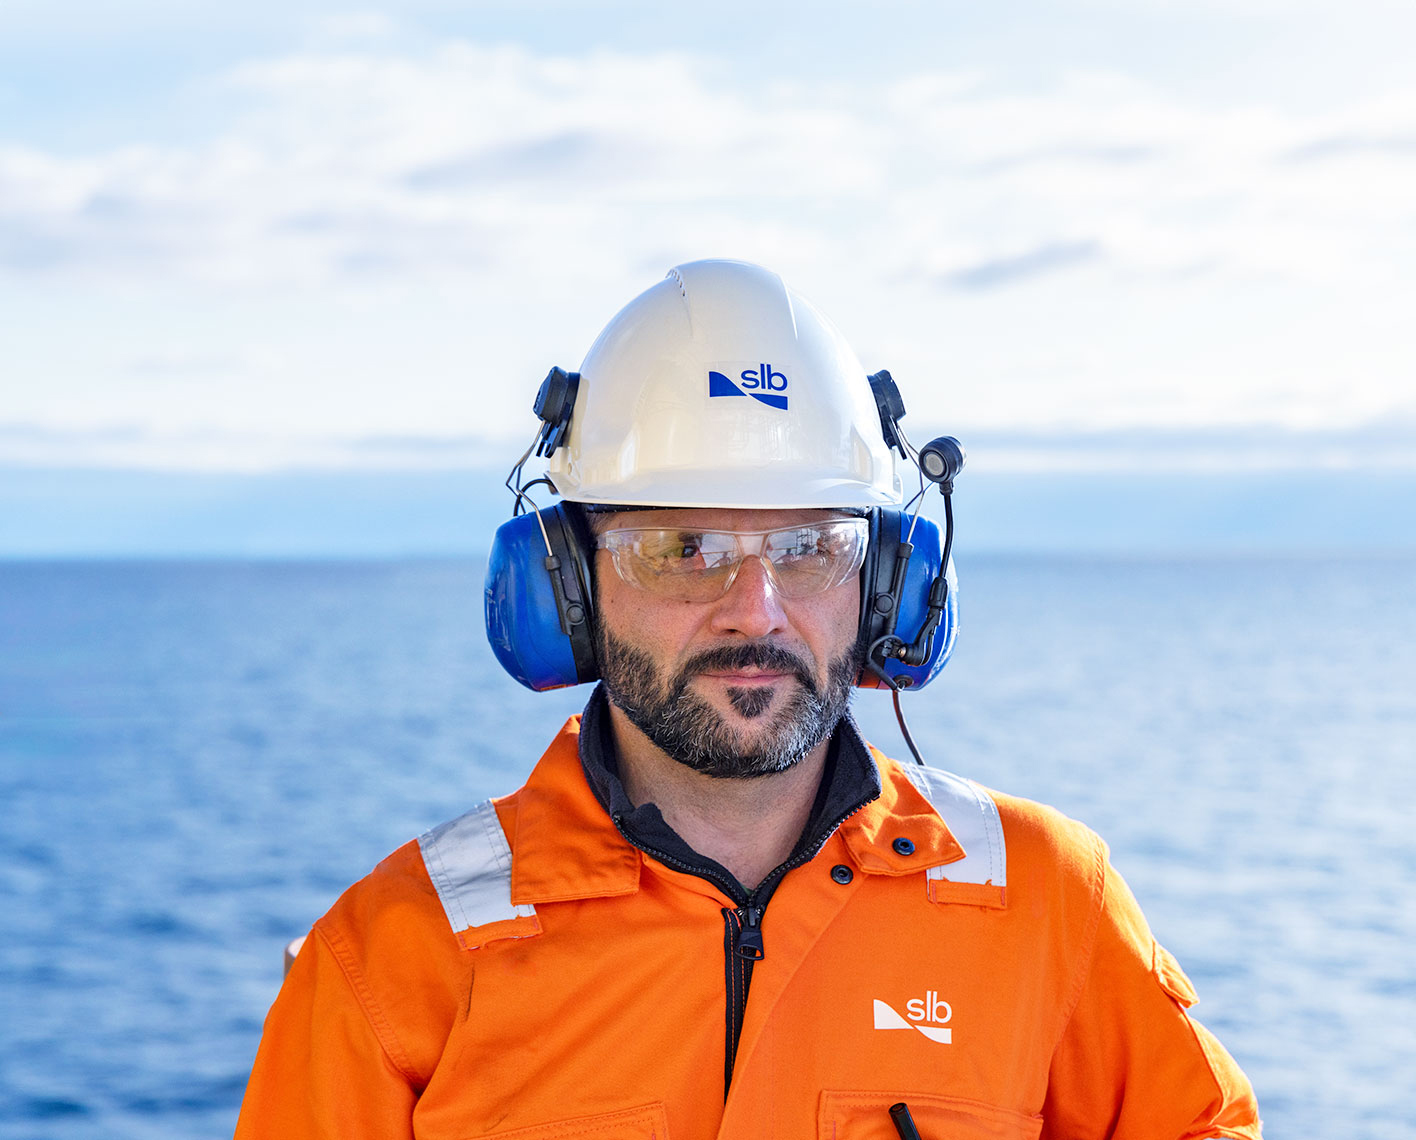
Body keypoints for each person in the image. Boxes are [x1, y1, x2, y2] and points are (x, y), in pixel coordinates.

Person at [236, 260, 1262, 1138]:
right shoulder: (393, 959)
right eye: (686, 549)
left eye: (810, 548)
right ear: (573, 587)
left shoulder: (1047, 903)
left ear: (888, 586)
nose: (754, 611)